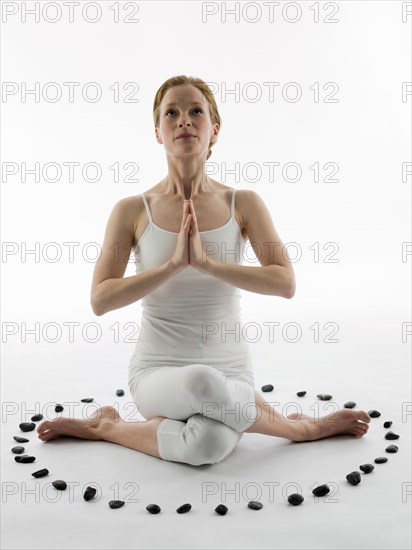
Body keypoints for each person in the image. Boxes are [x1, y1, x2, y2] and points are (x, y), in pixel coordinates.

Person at [37, 75, 370, 465]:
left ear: (214, 131)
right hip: (157, 373)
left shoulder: (243, 203)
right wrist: (173, 265)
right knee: (200, 381)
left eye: (196, 111)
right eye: (171, 113)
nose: (184, 120)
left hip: (232, 372)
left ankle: (105, 426)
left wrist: (209, 264)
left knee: (205, 447)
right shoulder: (131, 210)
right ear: (158, 133)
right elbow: (100, 299)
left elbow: (285, 282)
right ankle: (301, 428)